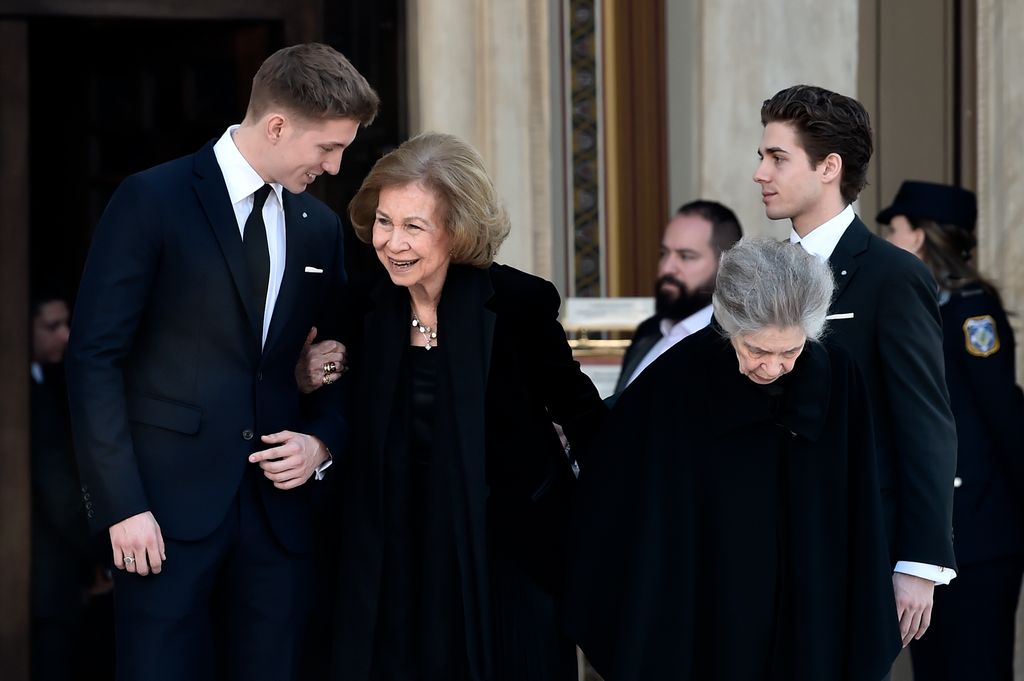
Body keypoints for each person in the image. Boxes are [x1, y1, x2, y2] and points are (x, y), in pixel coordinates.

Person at [65, 43, 379, 681]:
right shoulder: (152, 198)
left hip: (278, 523)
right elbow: (94, 358)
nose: (336, 165)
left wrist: (322, 443)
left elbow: (344, 360)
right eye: (328, 147)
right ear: (277, 125)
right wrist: (121, 505)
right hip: (160, 517)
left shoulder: (318, 227)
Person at [322, 132, 607, 681]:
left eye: (414, 226)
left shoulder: (519, 304)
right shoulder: (360, 306)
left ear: (457, 230)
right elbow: (333, 401)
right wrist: (316, 372)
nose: (393, 243)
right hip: (394, 562)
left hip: (502, 558)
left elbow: (582, 416)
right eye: (384, 221)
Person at [565, 238, 901, 680]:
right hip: (712, 617)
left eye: (790, 352)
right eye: (757, 350)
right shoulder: (676, 379)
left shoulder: (838, 376)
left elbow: (859, 503)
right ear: (727, 325)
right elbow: (621, 493)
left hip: (812, 613)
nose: (773, 368)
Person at [754, 85, 958, 654]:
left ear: (829, 167)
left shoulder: (894, 276)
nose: (760, 173)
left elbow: (925, 423)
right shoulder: (760, 271)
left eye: (777, 158)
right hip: (766, 545)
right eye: (762, 156)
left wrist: (919, 563)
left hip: (858, 543)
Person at [877, 180, 1024, 681]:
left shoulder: (971, 311)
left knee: (976, 665)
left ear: (919, 236)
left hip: (980, 532)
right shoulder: (921, 306)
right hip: (935, 538)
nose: (889, 240)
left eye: (896, 230)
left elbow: (1003, 416)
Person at [29, 290, 95, 681]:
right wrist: (101, 551)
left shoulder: (46, 384)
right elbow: (60, 496)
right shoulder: (27, 395)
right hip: (44, 581)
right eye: (51, 326)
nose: (65, 335)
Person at [614, 200, 742, 393]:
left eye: (686, 256)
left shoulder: (737, 346)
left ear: (727, 264)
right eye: (663, 253)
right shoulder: (648, 331)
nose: (667, 268)